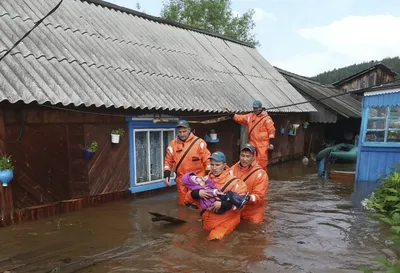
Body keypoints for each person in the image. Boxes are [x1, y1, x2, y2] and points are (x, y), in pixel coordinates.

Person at [185, 151, 247, 241]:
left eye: (217, 165)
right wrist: (197, 193)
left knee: (214, 241)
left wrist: (222, 204)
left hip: (225, 222)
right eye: (212, 165)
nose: (214, 168)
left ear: (224, 165)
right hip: (207, 222)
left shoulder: (236, 183)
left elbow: (241, 205)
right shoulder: (204, 179)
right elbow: (187, 200)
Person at [164, 120, 211, 206]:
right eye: (180, 132)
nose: (182, 134)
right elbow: (168, 161)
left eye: (184, 131)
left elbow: (207, 159)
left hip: (197, 179)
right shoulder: (172, 144)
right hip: (181, 179)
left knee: (198, 203)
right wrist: (166, 174)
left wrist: (208, 174)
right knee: (182, 203)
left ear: (189, 130)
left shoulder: (199, 143)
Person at [230, 143, 269, 224]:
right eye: (242, 155)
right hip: (235, 209)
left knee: (253, 232)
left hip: (253, 212)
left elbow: (259, 197)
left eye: (248, 156)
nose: (244, 159)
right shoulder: (232, 169)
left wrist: (247, 198)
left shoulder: (260, 174)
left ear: (253, 157)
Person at [232, 100, 276, 170]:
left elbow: (271, 131)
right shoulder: (250, 116)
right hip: (252, 143)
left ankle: (261, 177)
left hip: (262, 145)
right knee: (250, 162)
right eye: (254, 108)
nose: (255, 110)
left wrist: (271, 143)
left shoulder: (266, 119)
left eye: (256, 108)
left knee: (262, 163)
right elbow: (241, 118)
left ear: (260, 108)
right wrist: (233, 115)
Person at [181, 172, 250, 214]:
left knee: (229, 195)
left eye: (217, 164)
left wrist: (207, 180)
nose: (199, 177)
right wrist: (215, 192)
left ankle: (240, 201)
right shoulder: (199, 189)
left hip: (218, 207)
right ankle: (240, 202)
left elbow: (211, 185)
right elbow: (210, 192)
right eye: (196, 178)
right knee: (229, 195)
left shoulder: (204, 184)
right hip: (214, 207)